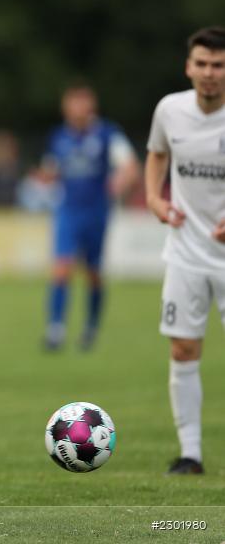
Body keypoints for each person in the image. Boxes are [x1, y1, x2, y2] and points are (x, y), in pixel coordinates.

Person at [145, 26, 225, 475]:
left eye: (218, 65)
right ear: (188, 67)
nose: (210, 73)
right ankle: (190, 453)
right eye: (203, 64)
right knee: (182, 351)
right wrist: (156, 199)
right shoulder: (170, 110)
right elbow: (157, 153)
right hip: (187, 253)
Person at [42, 83, 138, 351]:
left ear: (91, 107)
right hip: (67, 211)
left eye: (83, 103)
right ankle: (55, 329)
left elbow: (130, 165)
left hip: (96, 211)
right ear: (65, 107)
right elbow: (51, 169)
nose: (78, 110)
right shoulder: (58, 136)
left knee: (93, 273)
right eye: (73, 104)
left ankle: (91, 328)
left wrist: (122, 180)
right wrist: (44, 177)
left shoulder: (108, 134)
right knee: (61, 268)